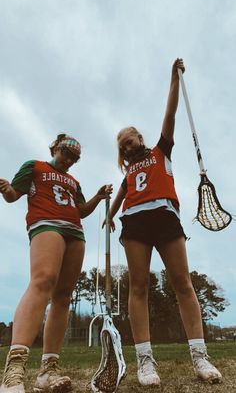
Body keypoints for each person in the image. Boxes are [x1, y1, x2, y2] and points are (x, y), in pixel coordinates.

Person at [106, 59, 222, 386]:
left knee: (182, 282)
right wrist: (111, 217)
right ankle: (145, 361)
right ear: (123, 152)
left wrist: (173, 79)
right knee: (138, 286)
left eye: (132, 138)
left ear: (141, 138)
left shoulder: (161, 151)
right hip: (135, 223)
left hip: (165, 216)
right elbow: (122, 194)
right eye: (123, 144)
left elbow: (169, 115)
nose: (129, 144)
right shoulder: (129, 172)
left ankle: (200, 356)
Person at [0, 133, 112, 393]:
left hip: (75, 231)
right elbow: (15, 194)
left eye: (74, 157)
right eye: (66, 153)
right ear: (54, 148)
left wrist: (97, 197)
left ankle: (48, 370)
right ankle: (14, 371)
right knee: (43, 280)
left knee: (63, 297)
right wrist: (7, 190)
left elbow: (81, 210)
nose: (69, 160)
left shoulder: (74, 181)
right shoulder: (34, 166)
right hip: (45, 224)